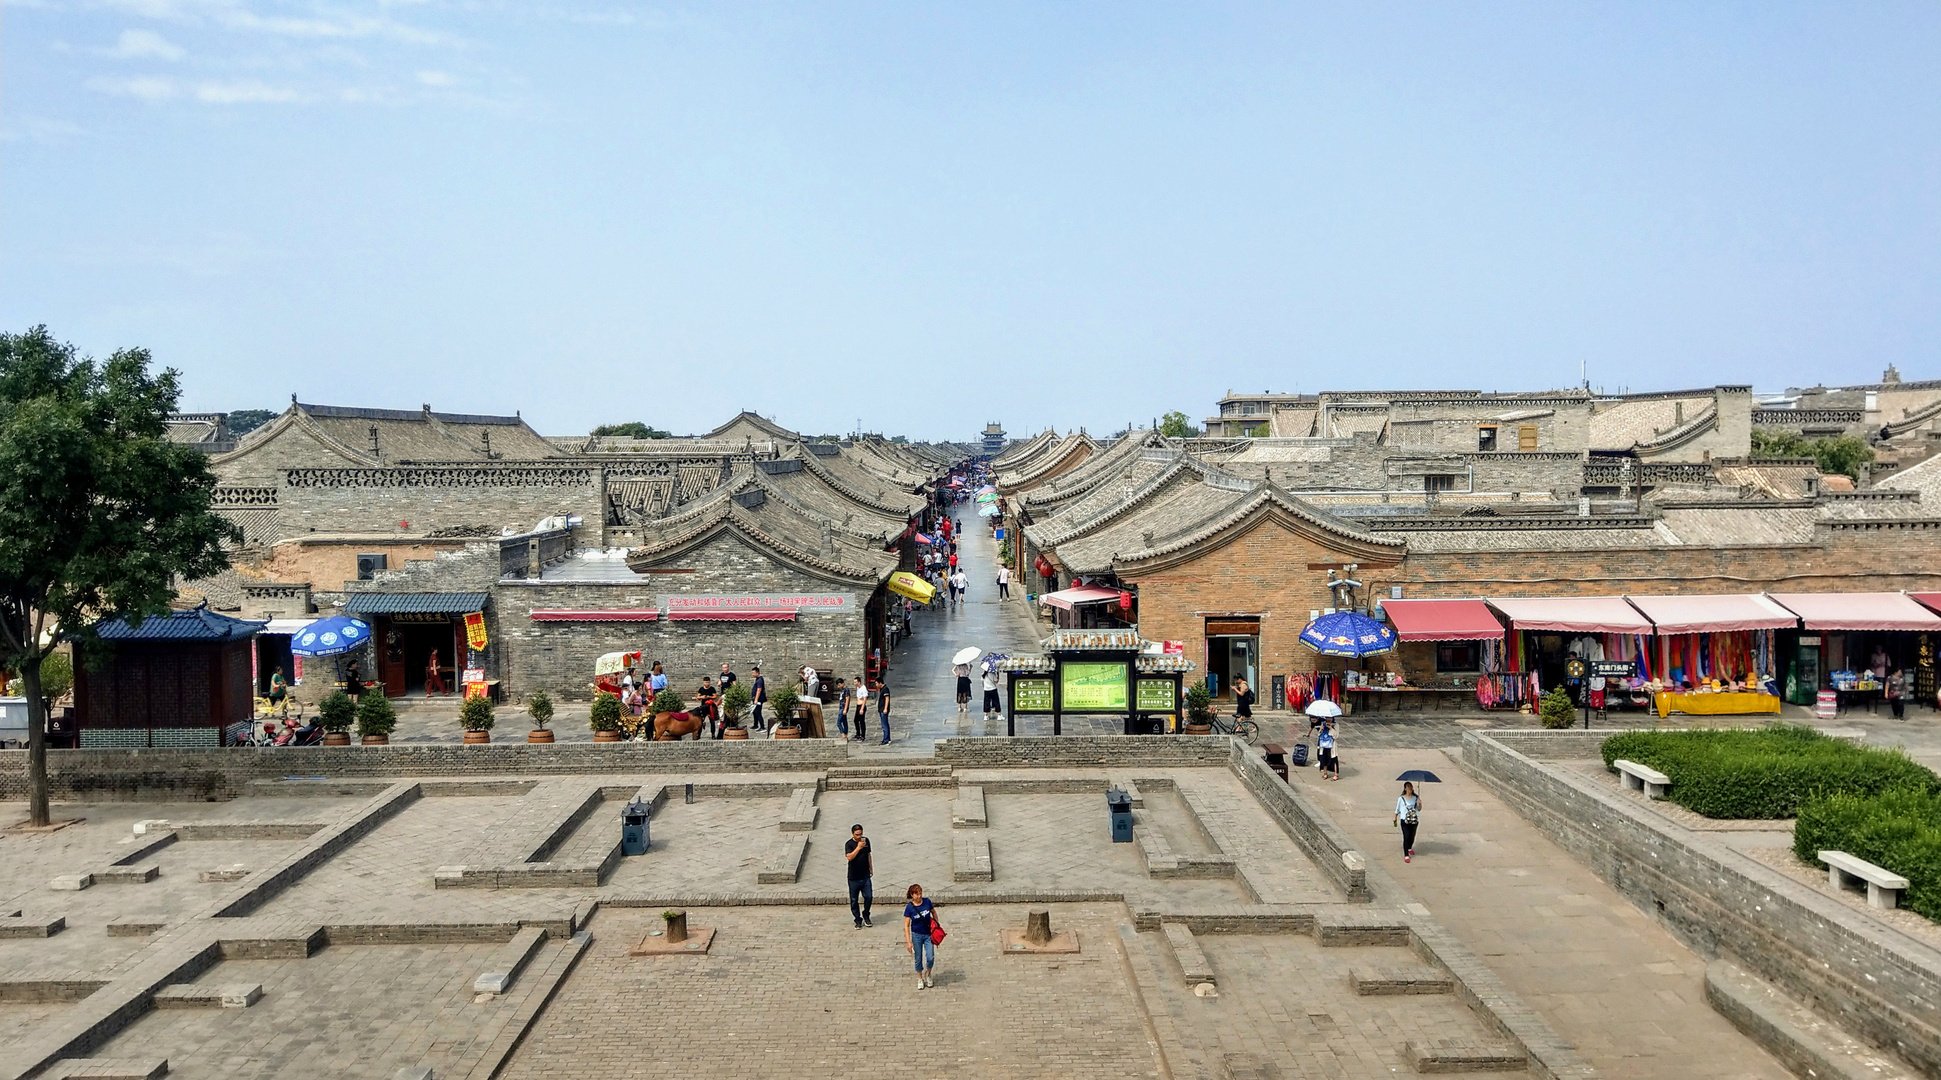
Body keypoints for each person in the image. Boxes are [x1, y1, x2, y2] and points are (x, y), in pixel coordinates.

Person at [903, 883, 942, 989]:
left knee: (930, 957)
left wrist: (936, 925)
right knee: (918, 957)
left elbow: (933, 912)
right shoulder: (909, 908)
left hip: (928, 934)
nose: (919, 896)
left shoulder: (927, 902)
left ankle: (928, 973)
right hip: (917, 935)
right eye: (916, 894)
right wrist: (908, 941)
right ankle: (919, 977)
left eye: (920, 893)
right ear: (912, 895)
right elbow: (906, 925)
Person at [845, 824, 873, 928]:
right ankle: (857, 919)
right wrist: (858, 847)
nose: (859, 836)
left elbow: (868, 854)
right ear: (853, 834)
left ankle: (866, 913)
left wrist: (871, 867)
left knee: (868, 897)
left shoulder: (866, 841)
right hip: (853, 877)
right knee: (853, 900)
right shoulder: (849, 844)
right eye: (857, 835)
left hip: (865, 875)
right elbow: (849, 857)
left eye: (860, 834)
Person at [1394, 781, 1422, 863]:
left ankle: (1409, 847)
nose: (1410, 788)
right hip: (1404, 819)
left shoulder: (1416, 798)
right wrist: (1395, 816)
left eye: (1411, 786)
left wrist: (1419, 804)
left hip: (1414, 819)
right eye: (1408, 786)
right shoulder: (1401, 798)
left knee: (1412, 836)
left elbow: (1419, 809)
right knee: (1406, 836)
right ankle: (1406, 854)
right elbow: (1398, 808)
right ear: (1405, 788)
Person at [750, 666, 766, 730]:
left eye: (753, 673)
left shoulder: (759, 680)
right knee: (754, 712)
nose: (752, 674)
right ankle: (755, 724)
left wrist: (756, 699)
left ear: (757, 673)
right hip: (755, 699)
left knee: (758, 712)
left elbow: (759, 690)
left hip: (759, 699)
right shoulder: (757, 679)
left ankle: (762, 727)